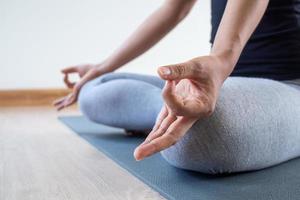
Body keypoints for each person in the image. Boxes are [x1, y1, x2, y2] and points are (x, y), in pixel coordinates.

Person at [54, 0, 300, 174]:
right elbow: (174, 8)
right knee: (94, 92)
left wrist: (221, 60)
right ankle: (173, 111)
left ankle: (172, 116)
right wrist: (103, 67)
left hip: (288, 85)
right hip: (225, 84)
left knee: (196, 138)